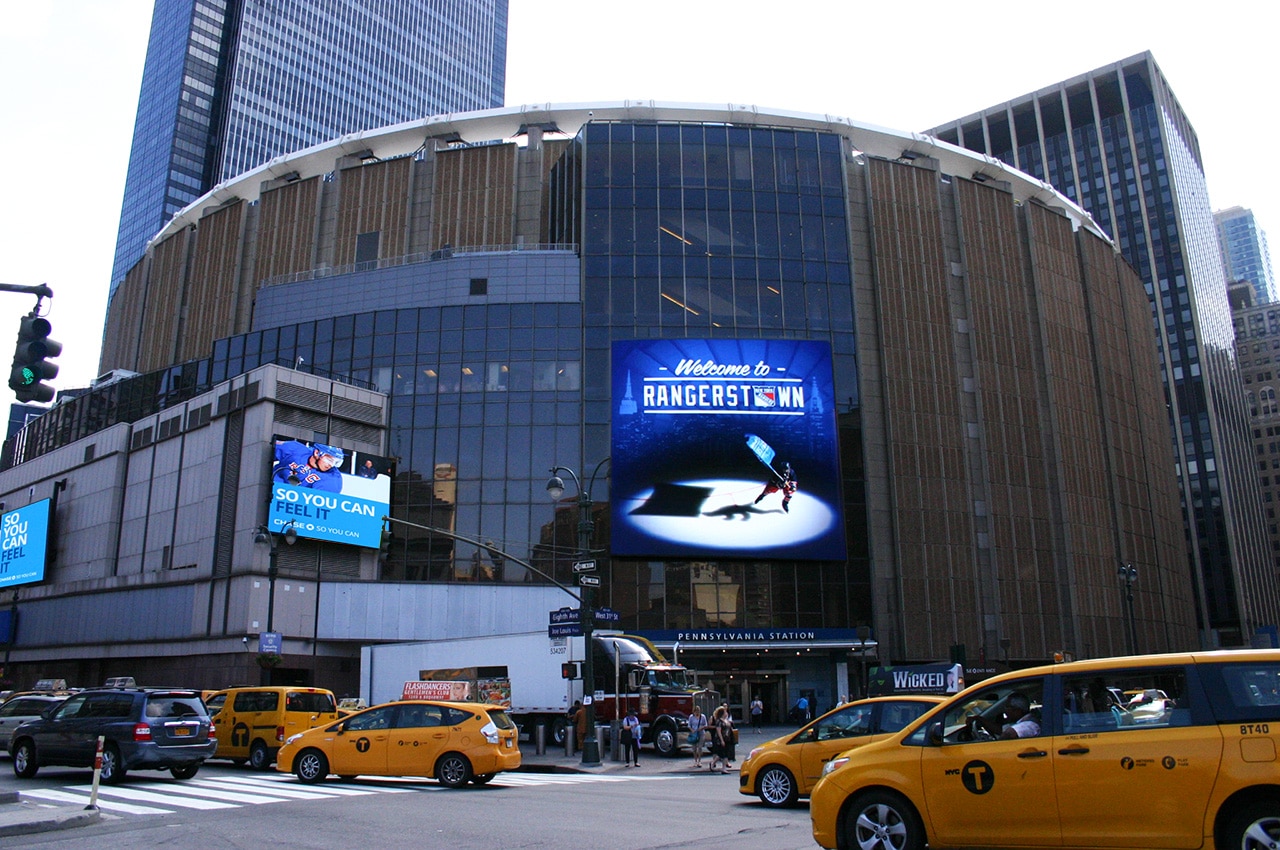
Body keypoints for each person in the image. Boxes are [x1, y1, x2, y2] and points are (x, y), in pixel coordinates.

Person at [273, 440, 345, 492]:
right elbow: (265, 449)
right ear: (317, 453)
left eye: (336, 462)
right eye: (329, 459)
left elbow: (316, 504)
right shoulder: (295, 449)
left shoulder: (333, 478)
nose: (331, 465)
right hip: (268, 489)